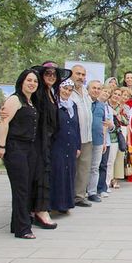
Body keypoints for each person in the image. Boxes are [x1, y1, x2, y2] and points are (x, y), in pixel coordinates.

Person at [0, 69, 41, 239]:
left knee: (26, 187)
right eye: (29, 80)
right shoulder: (14, 99)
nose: (32, 84)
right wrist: (1, 146)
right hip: (16, 148)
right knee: (21, 188)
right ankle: (23, 229)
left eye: (35, 81)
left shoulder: (30, 101)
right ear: (21, 81)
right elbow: (5, 122)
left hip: (29, 148)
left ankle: (16, 224)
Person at [31, 61, 71, 228]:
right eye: (48, 74)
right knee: (39, 174)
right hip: (38, 140)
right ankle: (39, 210)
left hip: (49, 140)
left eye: (54, 75)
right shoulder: (38, 93)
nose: (51, 77)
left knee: (44, 173)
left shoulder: (51, 92)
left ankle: (38, 209)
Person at [50, 78, 80, 214]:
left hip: (71, 143)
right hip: (57, 144)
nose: (67, 92)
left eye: (69, 90)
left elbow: (76, 126)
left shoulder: (72, 105)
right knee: (57, 173)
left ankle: (66, 204)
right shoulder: (54, 104)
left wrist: (78, 145)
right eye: (64, 89)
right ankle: (54, 204)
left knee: (69, 174)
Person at [69, 64, 93, 207]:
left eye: (83, 75)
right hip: (73, 137)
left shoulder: (85, 91)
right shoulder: (67, 91)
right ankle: (68, 195)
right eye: (78, 74)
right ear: (71, 74)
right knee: (72, 167)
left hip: (87, 136)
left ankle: (79, 196)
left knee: (84, 168)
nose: (81, 77)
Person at [87, 81, 109, 203]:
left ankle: (92, 192)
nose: (96, 90)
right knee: (83, 167)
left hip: (98, 140)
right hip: (85, 140)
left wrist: (104, 141)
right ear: (88, 89)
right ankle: (79, 192)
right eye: (93, 88)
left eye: (98, 88)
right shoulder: (84, 103)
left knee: (95, 167)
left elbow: (104, 124)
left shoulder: (101, 105)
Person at [104, 87, 124, 192]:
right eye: (115, 94)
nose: (116, 96)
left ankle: (107, 183)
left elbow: (125, 121)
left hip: (115, 138)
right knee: (103, 162)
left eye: (118, 94)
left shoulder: (121, 108)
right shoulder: (105, 105)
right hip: (104, 136)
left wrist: (119, 115)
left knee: (111, 162)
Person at [97, 87, 115, 198]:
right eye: (105, 91)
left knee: (103, 165)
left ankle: (102, 187)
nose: (106, 93)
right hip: (96, 139)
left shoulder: (108, 108)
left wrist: (110, 125)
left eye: (108, 92)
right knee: (94, 166)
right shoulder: (93, 104)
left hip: (106, 140)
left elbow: (112, 127)